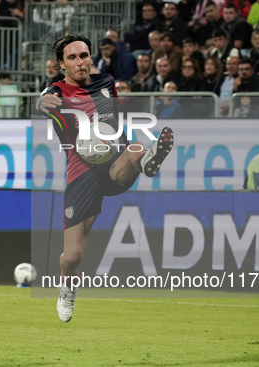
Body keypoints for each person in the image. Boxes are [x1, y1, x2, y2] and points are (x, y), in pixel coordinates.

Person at [38, 34, 174, 323]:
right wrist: (45, 104)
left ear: (91, 58)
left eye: (84, 55)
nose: (80, 62)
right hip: (81, 173)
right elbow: (46, 101)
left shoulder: (107, 82)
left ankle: (148, 161)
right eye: (72, 57)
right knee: (72, 256)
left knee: (135, 147)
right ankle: (67, 289)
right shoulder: (57, 91)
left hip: (113, 162)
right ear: (61, 63)